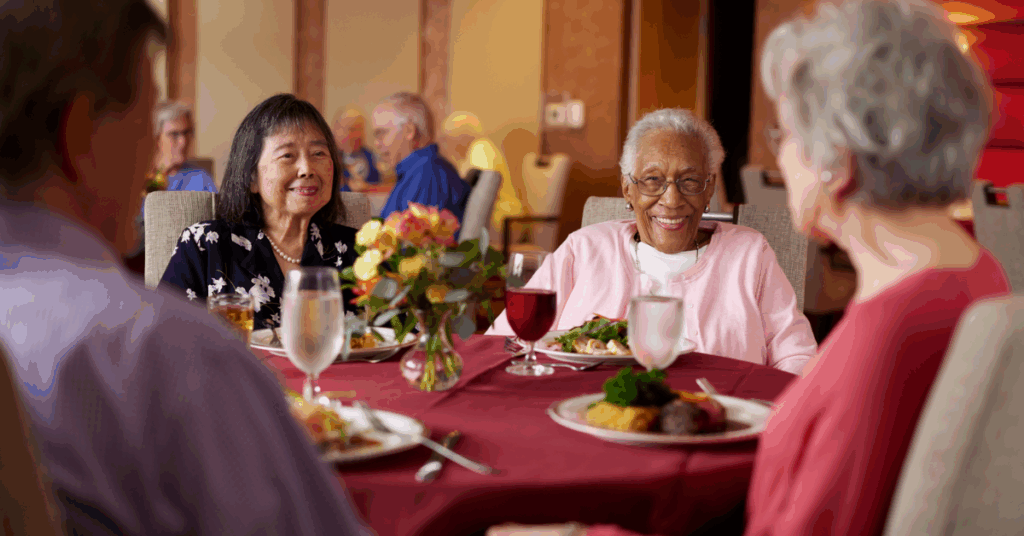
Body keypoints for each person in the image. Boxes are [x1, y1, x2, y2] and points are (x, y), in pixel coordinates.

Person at [490, 1, 1012, 535]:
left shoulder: (890, 334)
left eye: (785, 136)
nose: (779, 160)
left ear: (839, 163)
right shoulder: (975, 280)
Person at [0, 2, 371, 534]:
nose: (157, 154)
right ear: (80, 133)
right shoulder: (163, 351)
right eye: (147, 121)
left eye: (320, 153)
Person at [488, 108, 817, 374]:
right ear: (628, 189)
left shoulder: (749, 254)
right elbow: (505, 341)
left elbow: (796, 358)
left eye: (689, 181)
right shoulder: (584, 249)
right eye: (652, 181)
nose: (671, 200)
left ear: (709, 189)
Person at [161, 94, 359, 329]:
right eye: (287, 156)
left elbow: (400, 337)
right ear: (251, 177)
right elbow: (161, 341)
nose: (307, 169)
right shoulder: (205, 246)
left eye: (318, 154)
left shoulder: (359, 251)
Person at [372, 91, 471, 223]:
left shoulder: (428, 174)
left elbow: (415, 241)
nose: (376, 143)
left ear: (409, 131)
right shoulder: (419, 170)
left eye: (381, 133)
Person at [443, 110, 526, 237]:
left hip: (502, 221)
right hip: (494, 218)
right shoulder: (468, 154)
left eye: (450, 138)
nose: (448, 143)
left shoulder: (481, 149)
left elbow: (480, 193)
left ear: (462, 136)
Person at [148, 100, 218, 193]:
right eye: (174, 134)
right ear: (157, 138)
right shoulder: (139, 179)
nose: (183, 141)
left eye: (186, 133)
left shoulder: (201, 179)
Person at [333, 106, 381, 192]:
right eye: (352, 129)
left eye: (360, 129)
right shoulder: (328, 157)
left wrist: (367, 187)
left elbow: (377, 184)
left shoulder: (369, 156)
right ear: (337, 130)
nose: (358, 135)